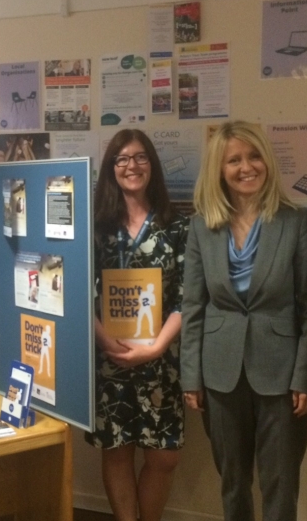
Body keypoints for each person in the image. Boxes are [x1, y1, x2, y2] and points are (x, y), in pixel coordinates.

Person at [180, 121, 307, 521]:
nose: (247, 167)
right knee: (232, 479)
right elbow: (193, 305)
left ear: (267, 161)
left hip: (282, 375)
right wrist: (190, 375)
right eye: (234, 160)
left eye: (254, 156)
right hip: (220, 372)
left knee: (281, 481)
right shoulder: (201, 227)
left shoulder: (295, 222)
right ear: (219, 170)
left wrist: (306, 376)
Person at [85, 129, 189, 521]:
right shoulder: (96, 228)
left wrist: (158, 346)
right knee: (117, 450)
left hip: (160, 360)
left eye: (141, 157)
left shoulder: (176, 227)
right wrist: (102, 338)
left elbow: (185, 297)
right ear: (112, 168)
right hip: (108, 358)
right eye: (122, 158)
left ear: (153, 165)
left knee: (165, 457)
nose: (132, 165)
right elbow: (76, 289)